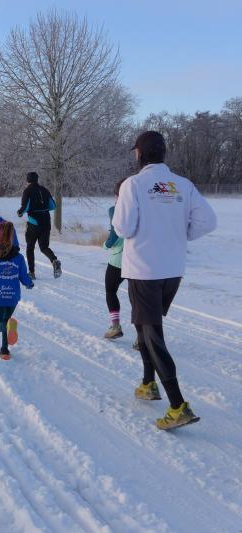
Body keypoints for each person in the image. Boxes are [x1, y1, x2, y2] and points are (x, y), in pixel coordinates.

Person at [113, 130, 217, 430]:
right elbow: (208, 221)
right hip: (172, 270)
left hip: (144, 269)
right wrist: (180, 235)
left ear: (140, 154)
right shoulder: (182, 185)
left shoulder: (133, 184)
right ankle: (148, 383)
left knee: (152, 334)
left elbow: (123, 228)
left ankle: (177, 405)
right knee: (143, 326)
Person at [0, 220, 34, 360]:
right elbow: (23, 276)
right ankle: (4, 350)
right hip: (12, 297)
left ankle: (6, 342)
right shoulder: (19, 257)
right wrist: (29, 283)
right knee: (7, 321)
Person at [17, 172, 61, 279]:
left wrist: (20, 212)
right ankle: (54, 260)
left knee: (30, 247)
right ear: (37, 179)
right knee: (44, 247)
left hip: (34, 223)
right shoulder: (44, 189)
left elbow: (25, 206)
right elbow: (53, 206)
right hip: (46, 222)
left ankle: (31, 273)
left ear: (27, 180)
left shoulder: (27, 191)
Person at [103, 178, 127, 339]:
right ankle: (142, 335)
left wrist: (106, 245)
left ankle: (115, 326)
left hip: (118, 259)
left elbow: (114, 234)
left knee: (111, 291)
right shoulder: (144, 209)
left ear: (117, 195)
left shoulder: (115, 209)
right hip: (139, 260)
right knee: (138, 298)